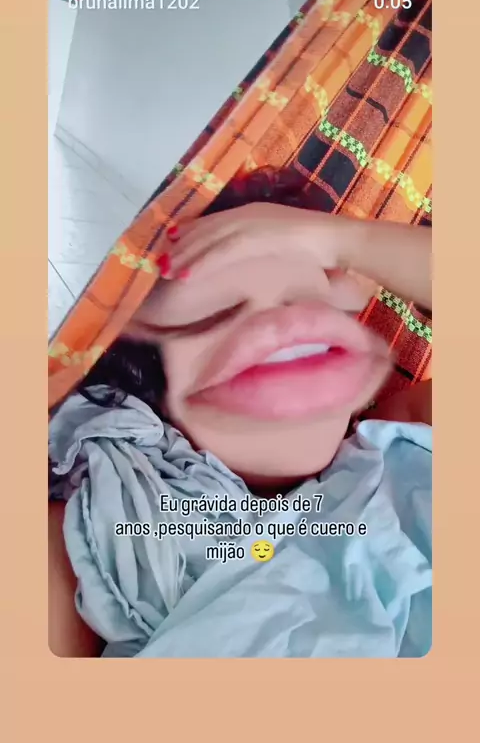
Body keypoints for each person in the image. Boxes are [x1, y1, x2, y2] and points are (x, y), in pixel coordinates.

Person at [48, 167, 432, 659]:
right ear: (136, 395)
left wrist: (342, 241)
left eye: (306, 301)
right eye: (217, 314)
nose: (285, 325)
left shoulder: (403, 450)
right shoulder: (104, 530)